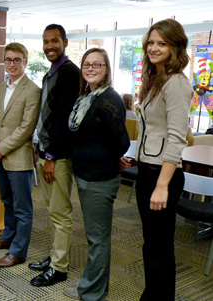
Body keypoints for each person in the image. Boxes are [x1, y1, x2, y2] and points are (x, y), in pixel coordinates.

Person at [119, 19, 193, 301]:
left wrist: (162, 185)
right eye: (151, 42)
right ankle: (152, 295)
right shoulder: (156, 80)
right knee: (151, 244)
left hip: (164, 176)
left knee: (160, 247)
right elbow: (153, 131)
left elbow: (176, 138)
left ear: (175, 47)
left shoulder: (176, 83)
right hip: (149, 171)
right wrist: (136, 158)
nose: (154, 48)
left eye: (162, 43)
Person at [64, 48, 130, 300]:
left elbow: (121, 142)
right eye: (87, 65)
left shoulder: (108, 99)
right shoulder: (86, 97)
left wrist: (110, 156)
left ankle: (93, 293)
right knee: (94, 235)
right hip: (86, 174)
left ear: (107, 69)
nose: (91, 69)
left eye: (97, 65)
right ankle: (90, 287)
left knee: (98, 238)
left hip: (100, 178)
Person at [30, 24, 80, 287]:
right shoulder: (52, 72)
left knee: (60, 212)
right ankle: (54, 257)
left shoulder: (70, 73)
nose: (50, 46)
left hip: (56, 157)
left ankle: (59, 268)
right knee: (51, 210)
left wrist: (50, 157)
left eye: (55, 41)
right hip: (46, 153)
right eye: (46, 41)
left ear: (65, 42)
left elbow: (64, 121)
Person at [0, 43, 41, 267]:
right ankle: (8, 238)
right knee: (7, 201)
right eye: (8, 60)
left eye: (17, 60)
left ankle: (18, 252)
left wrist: (3, 146)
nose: (12, 64)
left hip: (18, 157)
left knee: (22, 208)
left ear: (25, 62)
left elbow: (27, 128)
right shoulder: (1, 87)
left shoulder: (33, 90)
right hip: (0, 154)